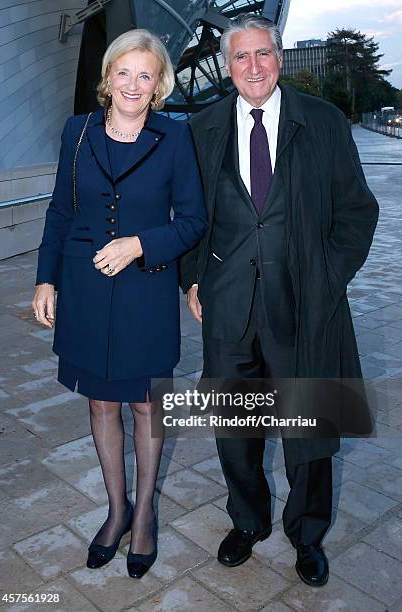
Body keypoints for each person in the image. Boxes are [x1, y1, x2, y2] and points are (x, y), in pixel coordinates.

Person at [180, 14, 378, 587]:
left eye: (263, 54)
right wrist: (193, 280)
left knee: (309, 427)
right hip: (229, 307)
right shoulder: (203, 128)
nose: (253, 67)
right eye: (240, 57)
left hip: (306, 307)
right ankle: (247, 520)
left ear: (280, 58)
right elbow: (188, 218)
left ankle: (307, 533)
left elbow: (358, 211)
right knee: (235, 427)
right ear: (226, 64)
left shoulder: (323, 122)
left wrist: (328, 275)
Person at [32, 28, 207, 579]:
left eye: (145, 75)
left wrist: (140, 244)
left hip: (145, 293)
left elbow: (195, 221)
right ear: (108, 77)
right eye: (123, 72)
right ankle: (116, 511)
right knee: (101, 404)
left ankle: (146, 513)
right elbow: (61, 209)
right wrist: (45, 280)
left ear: (158, 85)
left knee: (146, 406)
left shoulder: (174, 137)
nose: (132, 84)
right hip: (85, 291)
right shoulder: (77, 131)